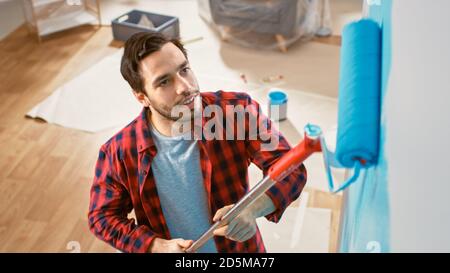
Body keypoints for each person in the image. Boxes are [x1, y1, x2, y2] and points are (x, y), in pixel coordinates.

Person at [88, 32, 307, 253]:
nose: (184, 87)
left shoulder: (237, 111)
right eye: (164, 82)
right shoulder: (119, 152)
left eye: (184, 70)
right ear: (142, 97)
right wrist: (155, 246)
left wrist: (251, 209)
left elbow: (292, 167)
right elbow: (102, 217)